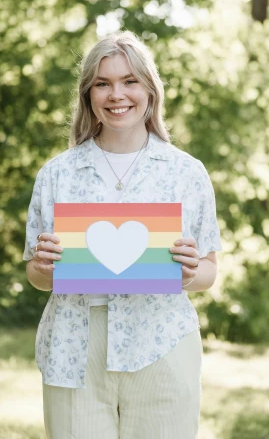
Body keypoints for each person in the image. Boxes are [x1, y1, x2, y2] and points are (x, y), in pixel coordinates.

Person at [24, 31, 222, 439]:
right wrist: (43, 267)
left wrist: (188, 271)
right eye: (103, 83)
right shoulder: (56, 174)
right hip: (75, 345)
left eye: (129, 81)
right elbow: (36, 274)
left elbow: (208, 273)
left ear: (150, 90)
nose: (117, 94)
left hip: (161, 341)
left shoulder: (186, 172)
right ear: (88, 95)